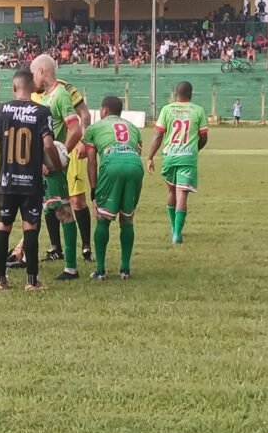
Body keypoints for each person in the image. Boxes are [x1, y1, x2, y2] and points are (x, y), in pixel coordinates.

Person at [0, 69, 61, 290]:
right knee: (30, 227)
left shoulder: (0, 110)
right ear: (32, 87)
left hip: (6, 181)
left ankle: (1, 281)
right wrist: (55, 165)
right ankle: (32, 281)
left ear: (14, 87)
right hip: (31, 182)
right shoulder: (42, 111)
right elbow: (47, 145)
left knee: (3, 227)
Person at [29, 54, 83, 280]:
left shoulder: (60, 95)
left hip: (51, 170)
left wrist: (59, 158)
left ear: (42, 71)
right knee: (36, 212)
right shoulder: (43, 98)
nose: (32, 78)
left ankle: (71, 267)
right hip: (36, 168)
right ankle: (25, 256)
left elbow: (76, 129)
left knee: (63, 212)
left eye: (34, 73)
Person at [83, 96, 144, 281]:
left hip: (111, 164)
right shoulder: (132, 127)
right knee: (127, 219)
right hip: (134, 165)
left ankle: (100, 270)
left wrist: (93, 190)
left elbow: (92, 160)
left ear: (104, 110)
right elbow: (138, 150)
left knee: (103, 219)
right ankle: (125, 269)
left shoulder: (94, 128)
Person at [146, 81, 208, 245]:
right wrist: (194, 149)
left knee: (171, 191)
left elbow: (158, 135)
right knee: (182, 194)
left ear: (175, 94)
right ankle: (177, 234)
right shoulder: (198, 110)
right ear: (191, 94)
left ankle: (173, 228)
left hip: (170, 156)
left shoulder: (167, 109)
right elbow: (204, 137)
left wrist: (150, 157)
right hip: (188, 157)